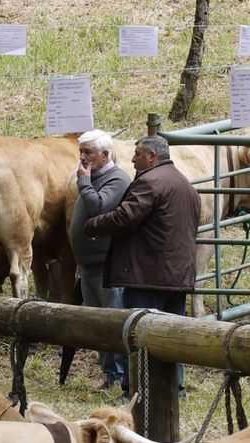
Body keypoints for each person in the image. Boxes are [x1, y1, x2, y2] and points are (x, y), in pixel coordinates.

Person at [83, 135, 201, 396]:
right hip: (177, 275)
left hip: (149, 274)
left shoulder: (150, 182)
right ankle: (174, 388)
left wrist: (93, 226)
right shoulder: (184, 185)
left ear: (151, 157)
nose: (132, 159)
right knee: (172, 334)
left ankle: (135, 389)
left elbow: (126, 216)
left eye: (137, 154)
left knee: (137, 332)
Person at [70, 129, 131, 392]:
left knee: (111, 320)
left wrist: (83, 183)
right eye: (81, 151)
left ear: (105, 154)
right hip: (88, 264)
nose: (82, 157)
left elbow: (99, 208)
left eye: (88, 152)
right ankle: (109, 374)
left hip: (107, 265)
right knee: (97, 322)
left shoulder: (116, 179)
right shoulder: (93, 177)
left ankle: (118, 375)